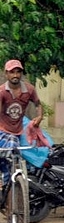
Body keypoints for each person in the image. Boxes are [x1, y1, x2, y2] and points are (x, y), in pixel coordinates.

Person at [0, 59, 43, 200]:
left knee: (19, 157)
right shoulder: (2, 92)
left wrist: (39, 117)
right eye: (12, 72)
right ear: (6, 74)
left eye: (18, 72)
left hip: (18, 132)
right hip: (2, 131)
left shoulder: (29, 90)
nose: (16, 75)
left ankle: (10, 193)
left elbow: (38, 104)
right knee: (10, 152)